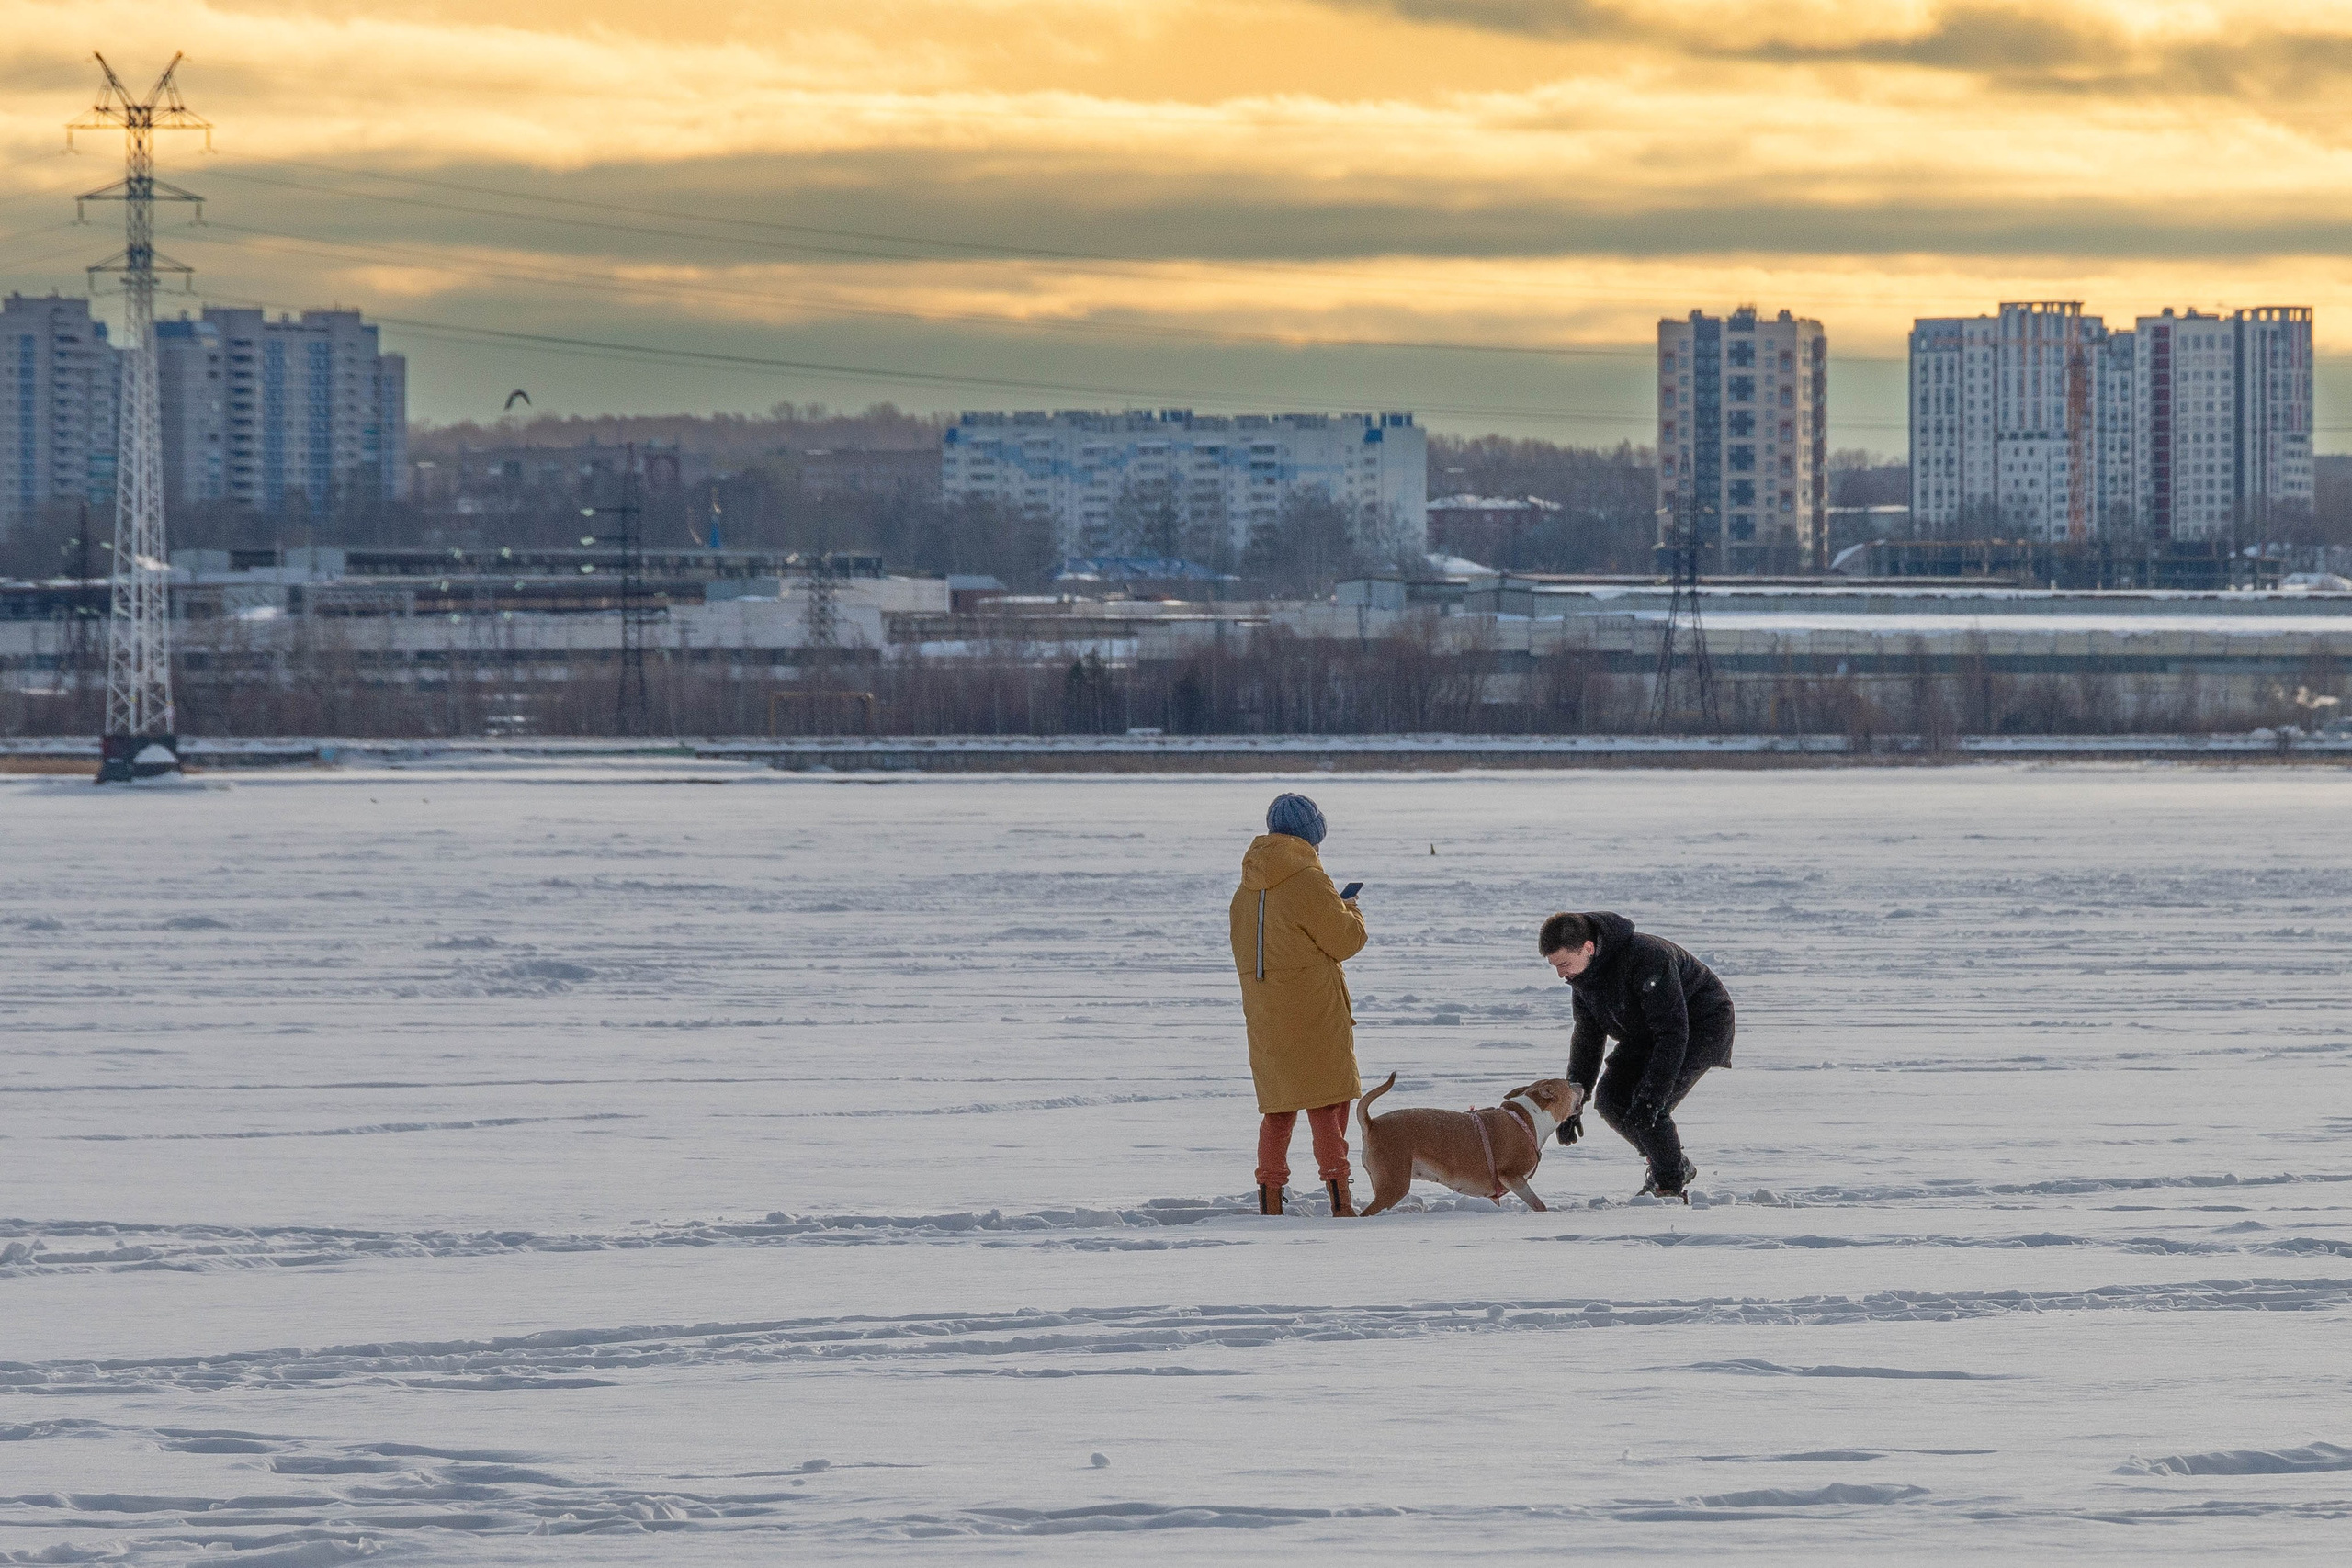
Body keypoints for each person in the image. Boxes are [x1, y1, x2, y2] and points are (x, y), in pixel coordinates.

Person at [1230, 792, 1366, 1217]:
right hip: (1314, 1014)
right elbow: (1345, 941)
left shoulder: (1245, 889)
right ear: (1311, 837)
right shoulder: (1309, 879)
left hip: (1266, 1018)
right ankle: (1340, 1201)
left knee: (1278, 1111)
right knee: (1328, 1105)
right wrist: (1351, 909)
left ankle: (1270, 1201)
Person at [1538, 910, 1734, 1201]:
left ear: (1588, 948)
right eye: (1555, 966)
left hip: (1700, 1026)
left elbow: (1673, 1034)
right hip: (1646, 1032)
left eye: (1564, 964)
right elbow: (1587, 1039)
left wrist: (1652, 1098)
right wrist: (1573, 1102)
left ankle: (1669, 1185)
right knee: (1611, 1098)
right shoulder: (1583, 978)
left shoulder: (1647, 959)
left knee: (1650, 1105)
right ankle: (1674, 1164)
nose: (1560, 974)